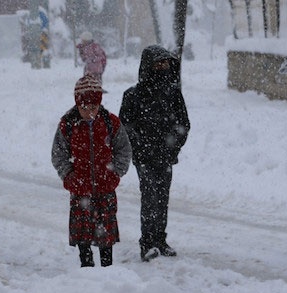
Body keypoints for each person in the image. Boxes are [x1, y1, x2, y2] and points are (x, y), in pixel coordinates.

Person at [52, 75, 132, 267]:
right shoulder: (68, 124)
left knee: (105, 234)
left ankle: (107, 267)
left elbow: (124, 150)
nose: (89, 113)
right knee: (83, 235)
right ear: (77, 105)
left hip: (105, 188)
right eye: (84, 108)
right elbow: (58, 155)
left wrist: (115, 173)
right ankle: (86, 268)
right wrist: (69, 177)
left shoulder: (111, 123)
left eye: (93, 108)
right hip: (80, 191)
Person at [119, 45, 190, 262]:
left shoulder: (173, 93)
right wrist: (140, 147)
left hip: (165, 156)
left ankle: (160, 239)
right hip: (144, 158)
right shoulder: (133, 95)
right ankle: (147, 242)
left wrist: (172, 148)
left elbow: (183, 124)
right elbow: (125, 127)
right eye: (158, 63)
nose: (163, 67)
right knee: (149, 197)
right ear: (148, 65)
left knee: (162, 197)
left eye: (166, 63)